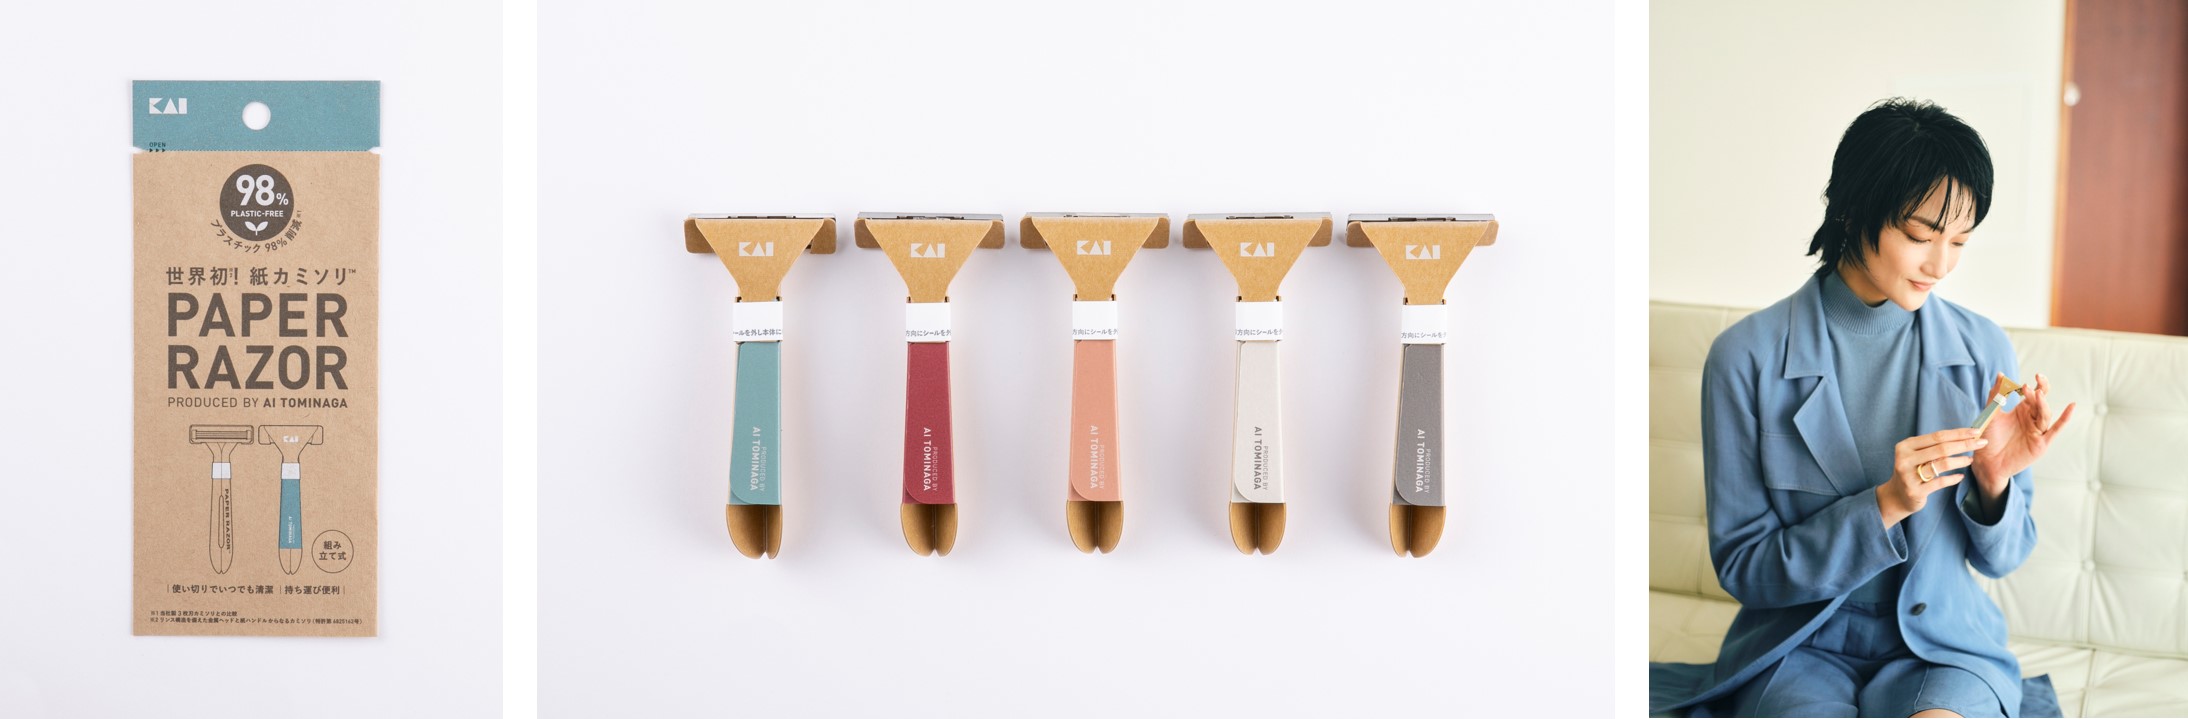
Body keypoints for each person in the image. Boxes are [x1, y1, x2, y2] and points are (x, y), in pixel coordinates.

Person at [1652, 99, 2076, 718]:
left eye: (1959, 240)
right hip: (1797, 646)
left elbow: (2004, 559)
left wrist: (1993, 482)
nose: (1941, 264)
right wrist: (1885, 505)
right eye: (1920, 236)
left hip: (1942, 649)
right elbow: (1744, 567)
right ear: (1853, 211)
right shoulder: (1744, 357)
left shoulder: (1984, 349)